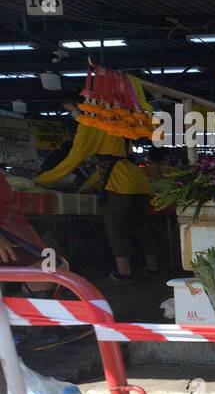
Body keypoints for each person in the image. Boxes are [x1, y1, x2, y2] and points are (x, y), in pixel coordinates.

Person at [35, 107, 158, 282]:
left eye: (71, 109)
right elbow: (106, 167)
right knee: (140, 227)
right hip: (136, 180)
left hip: (118, 183)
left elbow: (75, 158)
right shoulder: (116, 121)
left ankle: (124, 273)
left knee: (116, 230)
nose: (74, 114)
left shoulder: (92, 124)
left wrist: (43, 179)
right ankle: (153, 268)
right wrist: (87, 185)